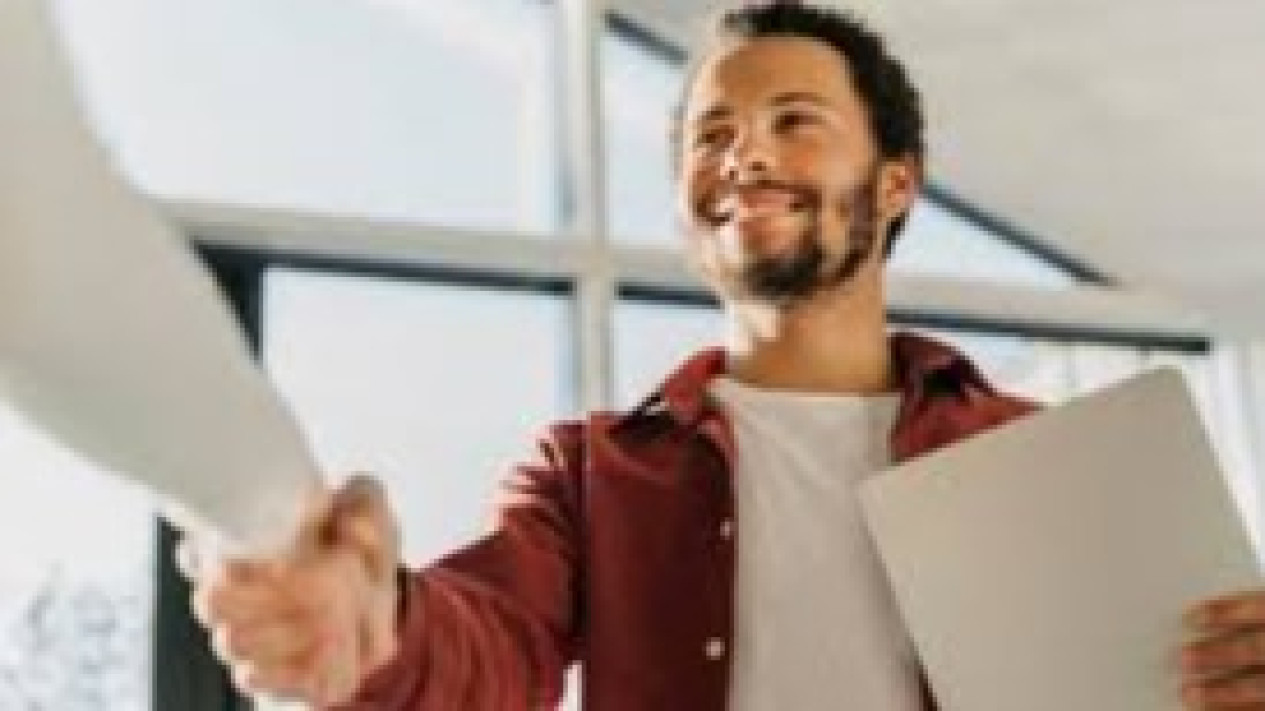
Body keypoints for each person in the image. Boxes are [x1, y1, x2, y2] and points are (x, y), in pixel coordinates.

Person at [187, 2, 1265, 709]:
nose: (742, 151)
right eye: (711, 134)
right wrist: (376, 626)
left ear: (894, 182)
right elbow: (490, 642)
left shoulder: (1036, 458)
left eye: (794, 120)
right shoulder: (590, 473)